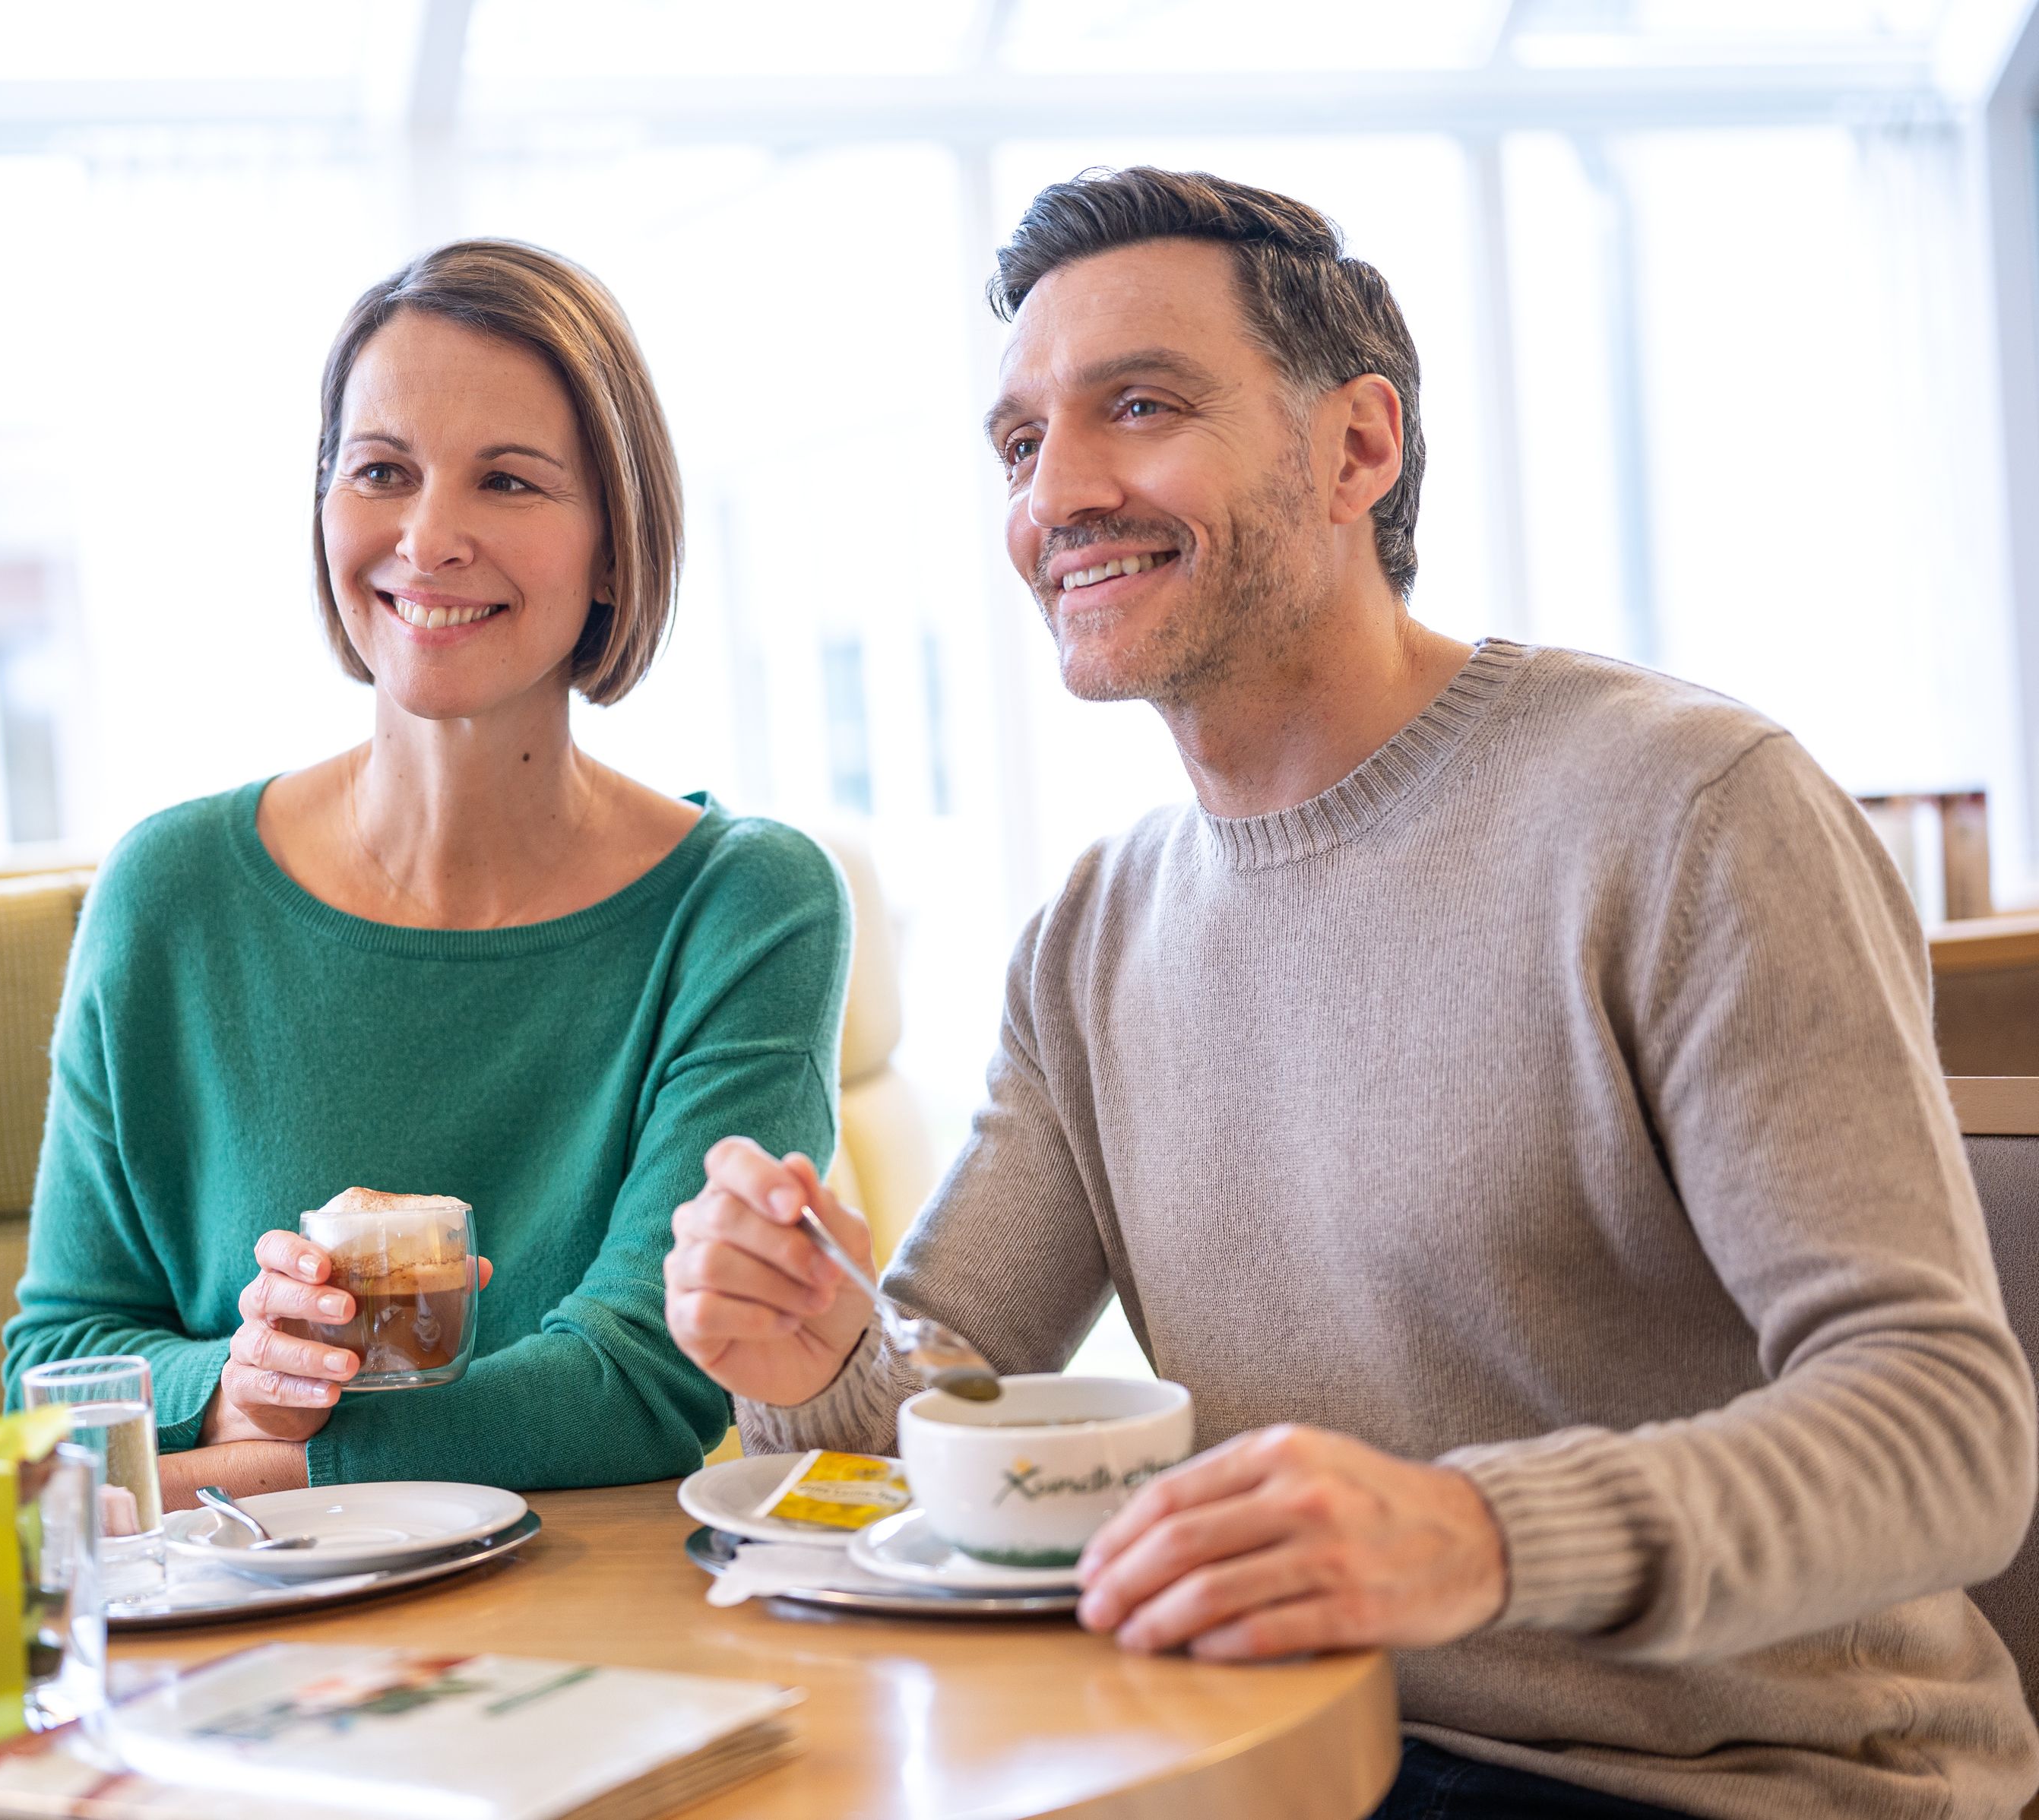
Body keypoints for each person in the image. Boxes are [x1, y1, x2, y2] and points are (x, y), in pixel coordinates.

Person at [661, 167, 2039, 1819]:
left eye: (1141, 406)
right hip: (1286, 1746)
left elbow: (1948, 1432)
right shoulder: (1090, 934)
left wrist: (1470, 1533)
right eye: (1021, 445)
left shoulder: (1689, 812)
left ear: (1357, 447)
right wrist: (816, 1349)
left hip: (1734, 1785)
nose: (1059, 493)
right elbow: (931, 1401)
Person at [5, 239, 847, 1506]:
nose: (429, 537)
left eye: (507, 481)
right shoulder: (169, 892)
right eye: (381, 472)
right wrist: (241, 1383)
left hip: (593, 1612)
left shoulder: (747, 906)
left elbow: (643, 1383)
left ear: (615, 548)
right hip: (244, 1621)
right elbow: (58, 1368)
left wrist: (225, 1476)